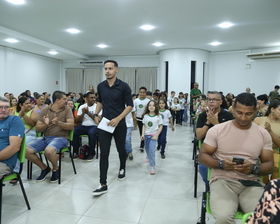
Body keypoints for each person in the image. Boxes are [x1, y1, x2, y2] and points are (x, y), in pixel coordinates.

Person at [198, 92, 274, 224]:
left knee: (263, 218)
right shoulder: (218, 130)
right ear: (233, 109)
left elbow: (269, 165)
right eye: (239, 113)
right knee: (223, 218)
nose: (243, 118)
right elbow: (202, 156)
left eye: (248, 114)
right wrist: (221, 164)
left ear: (256, 110)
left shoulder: (263, 134)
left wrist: (253, 168)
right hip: (223, 181)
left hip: (251, 184)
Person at [92, 60, 133, 196]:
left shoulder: (124, 86)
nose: (107, 71)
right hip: (105, 124)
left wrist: (118, 119)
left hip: (119, 124)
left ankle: (122, 167)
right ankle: (103, 183)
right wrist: (96, 114)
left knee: (121, 149)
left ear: (117, 70)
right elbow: (100, 102)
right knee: (104, 153)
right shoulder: (101, 86)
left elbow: (130, 106)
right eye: (105, 69)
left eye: (110, 68)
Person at [25, 91, 74, 183]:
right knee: (26, 150)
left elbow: (71, 126)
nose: (66, 101)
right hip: (46, 138)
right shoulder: (45, 110)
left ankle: (55, 169)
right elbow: (38, 129)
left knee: (49, 151)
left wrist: (58, 123)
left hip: (61, 138)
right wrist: (46, 124)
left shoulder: (67, 109)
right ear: (57, 100)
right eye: (64, 99)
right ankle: (44, 168)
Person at [196, 91, 234, 184]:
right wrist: (208, 122)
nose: (211, 102)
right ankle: (209, 185)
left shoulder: (228, 116)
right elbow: (199, 136)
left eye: (214, 100)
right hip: (208, 149)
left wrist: (216, 123)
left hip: (225, 149)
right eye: (209, 99)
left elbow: (231, 137)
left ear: (221, 102)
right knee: (203, 167)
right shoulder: (203, 115)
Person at [254, 100, 280, 183]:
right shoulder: (259, 120)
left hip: (273, 151)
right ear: (272, 109)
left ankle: (272, 190)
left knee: (275, 167)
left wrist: (270, 131)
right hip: (257, 150)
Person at [0, 96, 25, 179]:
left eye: (6, 107)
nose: (3, 110)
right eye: (0, 107)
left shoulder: (14, 120)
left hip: (4, 163)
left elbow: (14, 147)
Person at [72, 92, 99, 161]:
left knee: (92, 133)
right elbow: (77, 120)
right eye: (91, 98)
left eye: (94, 97)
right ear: (86, 99)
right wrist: (83, 113)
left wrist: (88, 113)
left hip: (94, 126)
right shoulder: (82, 106)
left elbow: (99, 120)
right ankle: (77, 152)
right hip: (84, 126)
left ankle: (91, 153)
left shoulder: (97, 106)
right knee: (74, 131)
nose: (93, 99)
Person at [141, 100, 163, 174]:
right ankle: (148, 155)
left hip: (153, 136)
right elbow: (144, 125)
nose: (151, 107)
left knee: (151, 150)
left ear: (156, 107)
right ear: (147, 106)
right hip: (146, 135)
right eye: (150, 105)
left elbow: (160, 127)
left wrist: (156, 135)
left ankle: (152, 166)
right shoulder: (145, 116)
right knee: (147, 148)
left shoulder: (158, 116)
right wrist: (142, 134)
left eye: (153, 105)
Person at [132, 86, 150, 152]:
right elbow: (134, 109)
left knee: (147, 131)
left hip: (147, 118)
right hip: (139, 118)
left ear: (146, 93)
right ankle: (142, 144)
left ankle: (147, 143)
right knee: (141, 132)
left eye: (143, 92)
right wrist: (134, 116)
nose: (142, 94)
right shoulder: (136, 101)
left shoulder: (148, 101)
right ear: (139, 93)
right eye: (141, 92)